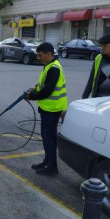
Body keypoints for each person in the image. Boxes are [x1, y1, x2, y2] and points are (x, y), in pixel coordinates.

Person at [25, 42, 68, 176]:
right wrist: (36, 87)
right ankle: (47, 161)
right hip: (48, 108)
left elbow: (48, 91)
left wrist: (31, 96)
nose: (38, 57)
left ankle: (52, 167)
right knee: (46, 137)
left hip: (52, 109)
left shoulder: (53, 68)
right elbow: (45, 84)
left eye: (40, 55)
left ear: (49, 54)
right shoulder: (49, 66)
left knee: (49, 138)